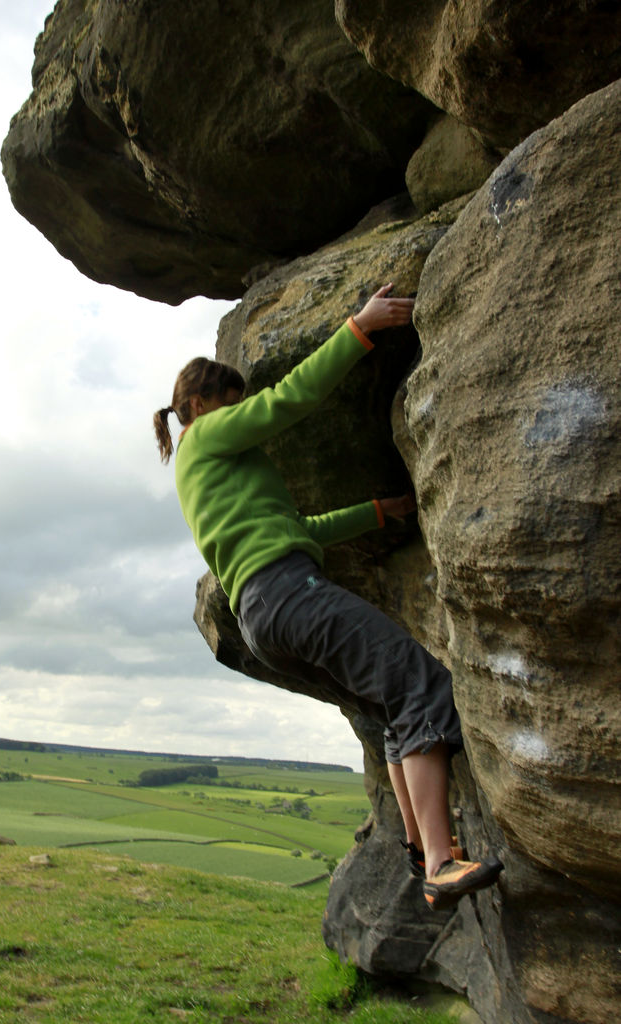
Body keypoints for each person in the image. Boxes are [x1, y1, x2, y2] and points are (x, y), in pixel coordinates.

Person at [154, 284, 503, 910]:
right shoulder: (204, 438)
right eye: (234, 404)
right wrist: (360, 327)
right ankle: (441, 863)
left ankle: (425, 852)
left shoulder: (204, 478)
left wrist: (378, 511)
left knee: (387, 710)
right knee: (419, 683)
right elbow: (291, 400)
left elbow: (300, 531)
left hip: (264, 613)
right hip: (286, 592)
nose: (245, 417)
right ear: (199, 404)